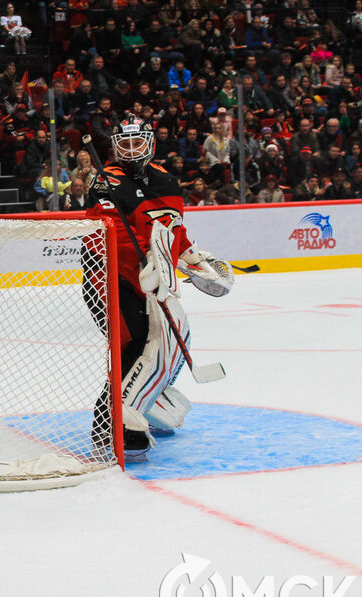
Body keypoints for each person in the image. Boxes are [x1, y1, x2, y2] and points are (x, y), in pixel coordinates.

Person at [86, 117, 233, 461]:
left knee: (170, 344)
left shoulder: (166, 180)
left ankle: (149, 401)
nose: (133, 150)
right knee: (135, 345)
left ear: (150, 144)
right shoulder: (105, 182)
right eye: (126, 143)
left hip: (152, 283)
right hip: (108, 280)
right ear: (116, 146)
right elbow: (109, 236)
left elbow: (174, 228)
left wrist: (191, 258)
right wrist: (146, 261)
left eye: (139, 143)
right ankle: (110, 425)